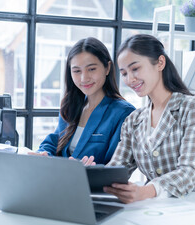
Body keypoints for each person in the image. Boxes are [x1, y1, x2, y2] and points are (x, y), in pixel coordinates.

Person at [83, 34, 195, 203]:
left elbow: (190, 171)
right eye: (124, 73)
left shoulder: (194, 108)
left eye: (135, 69)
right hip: (161, 210)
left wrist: (145, 191)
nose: (130, 79)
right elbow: (117, 169)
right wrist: (93, 175)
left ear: (160, 63)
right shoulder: (133, 121)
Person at [36, 37, 135, 165]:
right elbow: (54, 141)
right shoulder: (70, 106)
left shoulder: (124, 113)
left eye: (92, 69)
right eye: (77, 71)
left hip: (94, 184)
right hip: (61, 181)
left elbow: (119, 165)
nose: (84, 78)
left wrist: (91, 170)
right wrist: (44, 154)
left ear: (107, 68)